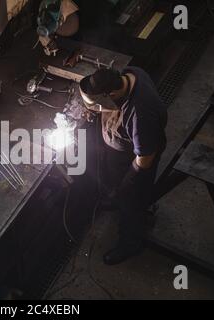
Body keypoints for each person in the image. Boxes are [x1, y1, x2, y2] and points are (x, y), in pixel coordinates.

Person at [79, 66, 167, 265]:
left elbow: (145, 158)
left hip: (134, 163)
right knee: (118, 192)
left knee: (132, 202)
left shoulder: (140, 113)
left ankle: (131, 243)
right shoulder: (131, 73)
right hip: (119, 153)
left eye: (101, 102)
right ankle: (119, 199)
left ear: (111, 94)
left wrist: (129, 182)